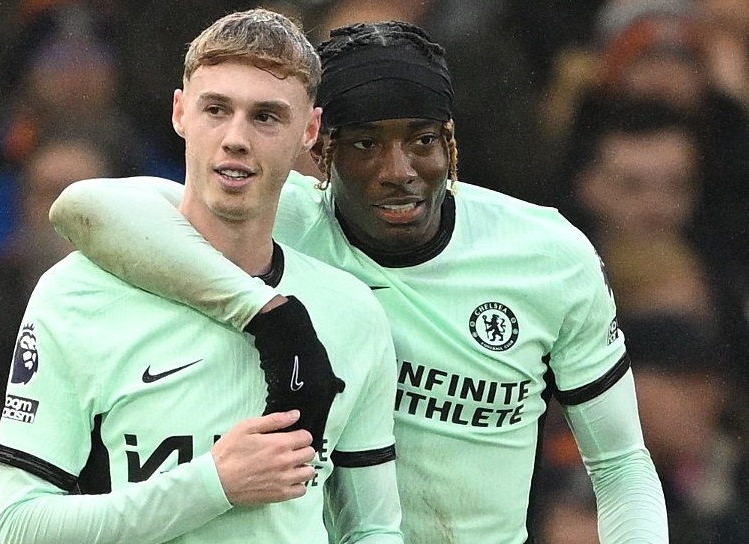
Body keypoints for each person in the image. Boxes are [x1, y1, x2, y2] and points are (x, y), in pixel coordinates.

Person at [50, 20, 669, 543]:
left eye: (422, 140)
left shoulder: (548, 257)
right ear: (321, 149)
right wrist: (265, 313)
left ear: (450, 144)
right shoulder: (283, 220)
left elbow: (620, 465)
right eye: (367, 144)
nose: (398, 170)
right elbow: (83, 207)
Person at [0, 9, 403, 543]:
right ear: (180, 112)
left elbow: (372, 528)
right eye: (216, 109)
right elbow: (19, 528)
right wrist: (215, 483)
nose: (236, 138)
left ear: (310, 131)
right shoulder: (76, 294)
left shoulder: (350, 310)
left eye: (266, 117)